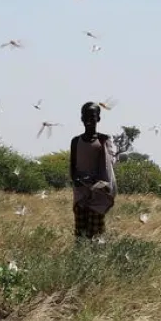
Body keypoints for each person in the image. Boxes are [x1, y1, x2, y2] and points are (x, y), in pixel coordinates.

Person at [69, 101, 117, 239]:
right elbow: (73, 167)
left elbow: (111, 162)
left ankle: (96, 259)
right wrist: (79, 181)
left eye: (93, 116)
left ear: (98, 118)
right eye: (86, 116)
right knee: (80, 233)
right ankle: (81, 260)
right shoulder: (76, 141)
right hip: (81, 193)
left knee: (96, 235)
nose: (89, 119)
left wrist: (97, 185)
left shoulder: (104, 141)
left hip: (99, 194)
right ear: (81, 118)